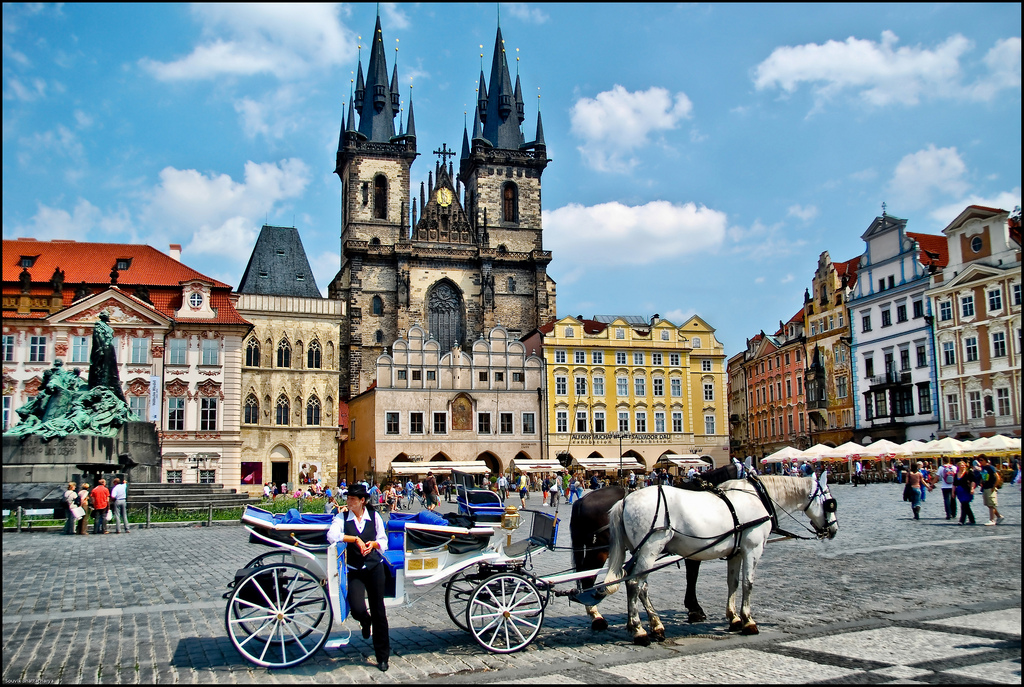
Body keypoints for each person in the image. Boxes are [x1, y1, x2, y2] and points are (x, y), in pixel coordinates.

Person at [327, 483, 390, 672]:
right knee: (356, 607)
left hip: (374, 567)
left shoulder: (375, 517)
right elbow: (332, 535)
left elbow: (383, 540)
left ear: (362, 501)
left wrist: (374, 544)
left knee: (379, 611)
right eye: (348, 499)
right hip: (355, 569)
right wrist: (354, 539)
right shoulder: (342, 517)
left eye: (352, 499)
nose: (348, 502)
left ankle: (382, 656)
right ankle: (364, 620)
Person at [977, 455, 1004, 525]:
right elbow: (983, 476)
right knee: (988, 504)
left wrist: (994, 486)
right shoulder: (983, 468)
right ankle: (999, 516)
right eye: (979, 460)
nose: (980, 462)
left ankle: (992, 520)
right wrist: (981, 482)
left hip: (990, 487)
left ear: (985, 460)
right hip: (985, 487)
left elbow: (997, 477)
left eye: (981, 460)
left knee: (991, 504)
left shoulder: (990, 467)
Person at [954, 461, 977, 525]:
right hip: (959, 492)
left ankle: (962, 520)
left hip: (966, 490)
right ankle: (972, 519)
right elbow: (954, 484)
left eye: (964, 465)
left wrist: (972, 489)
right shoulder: (956, 474)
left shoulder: (968, 473)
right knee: (966, 506)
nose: (963, 466)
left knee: (964, 505)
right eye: (961, 465)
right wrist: (953, 492)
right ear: (958, 466)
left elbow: (973, 481)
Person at [936, 456, 958, 520]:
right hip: (953, 485)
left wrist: (931, 484)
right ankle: (954, 513)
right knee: (953, 499)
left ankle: (948, 514)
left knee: (946, 500)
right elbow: (956, 476)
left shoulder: (941, 468)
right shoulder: (954, 467)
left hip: (944, 486)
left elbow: (937, 477)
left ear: (943, 461)